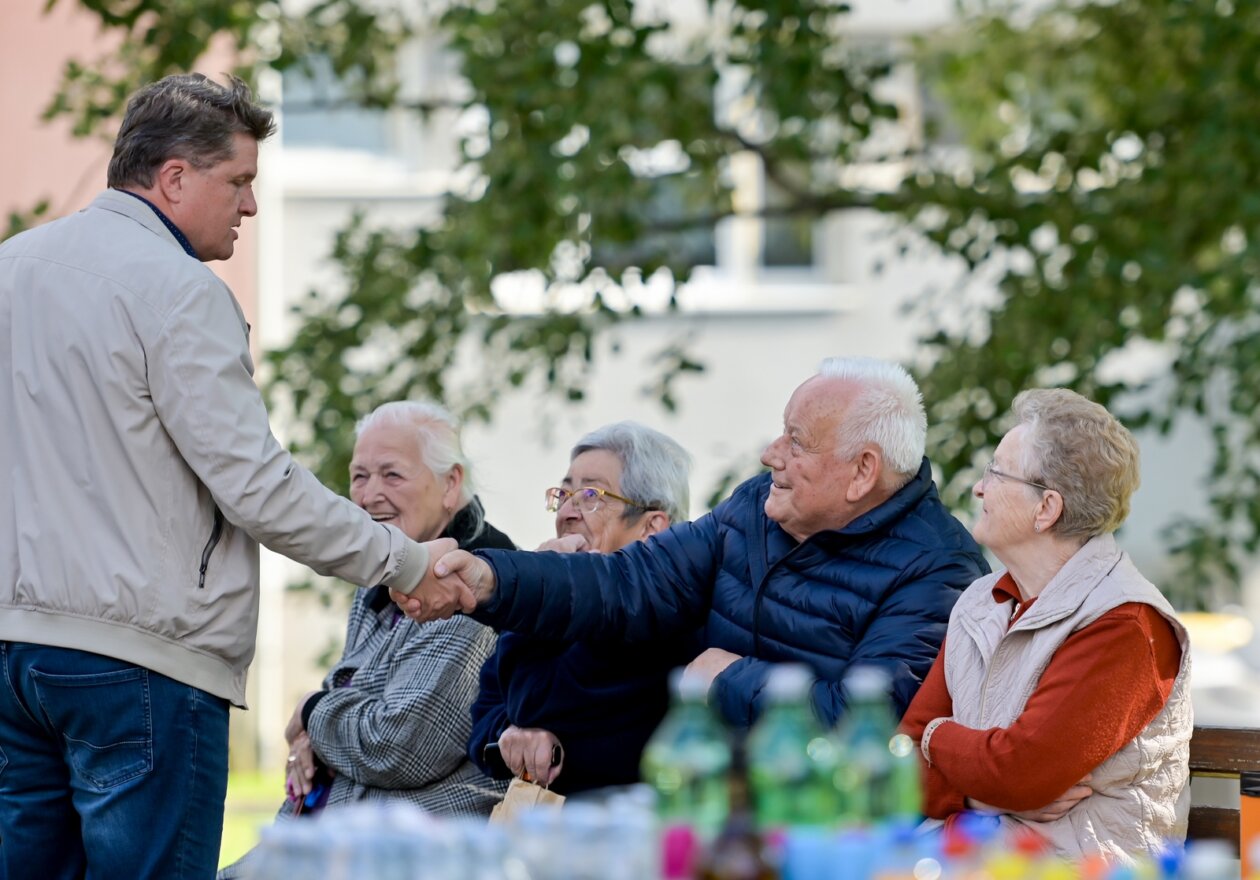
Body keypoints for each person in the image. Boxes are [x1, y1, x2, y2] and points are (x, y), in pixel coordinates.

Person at [0, 75, 445, 879]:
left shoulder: (11, 267)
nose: (251, 206)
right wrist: (404, 562)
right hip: (142, 663)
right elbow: (258, 486)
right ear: (174, 178)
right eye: (238, 181)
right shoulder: (178, 292)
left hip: (13, 656)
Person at [402, 357, 989, 728]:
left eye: (796, 441)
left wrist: (727, 677)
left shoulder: (937, 571)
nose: (771, 455)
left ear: (863, 472)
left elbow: (868, 724)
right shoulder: (755, 507)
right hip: (709, 803)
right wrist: (491, 578)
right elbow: (628, 581)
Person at [218, 403, 512, 878]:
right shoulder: (385, 579)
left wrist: (312, 712)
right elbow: (351, 693)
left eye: (392, 475)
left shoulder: (470, 586)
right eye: (360, 476)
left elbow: (398, 745)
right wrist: (317, 733)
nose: (370, 495)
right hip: (332, 844)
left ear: (450, 484)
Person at [899, 389, 1190, 864]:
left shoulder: (1126, 622)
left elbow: (1019, 770)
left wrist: (935, 735)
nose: (979, 488)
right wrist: (977, 797)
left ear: (1046, 509)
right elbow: (901, 763)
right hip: (974, 858)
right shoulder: (979, 602)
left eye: (996, 472)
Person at [468, 421, 696, 793]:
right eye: (564, 494)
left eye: (591, 495)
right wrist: (507, 733)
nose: (566, 513)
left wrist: (537, 587)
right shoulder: (567, 606)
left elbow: (533, 706)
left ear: (651, 527)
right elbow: (486, 709)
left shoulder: (657, 614)